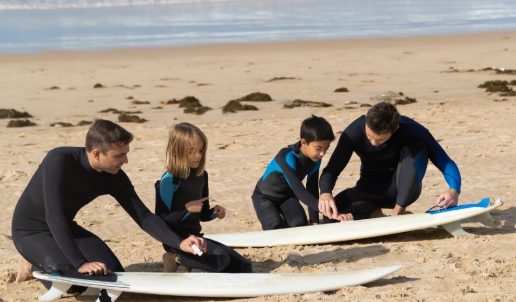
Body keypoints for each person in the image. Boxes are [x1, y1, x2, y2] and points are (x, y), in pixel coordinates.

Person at [11, 119, 205, 288]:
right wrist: (80, 263)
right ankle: (32, 260)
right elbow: (54, 216)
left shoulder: (114, 176)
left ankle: (51, 256)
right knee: (75, 282)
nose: (126, 160)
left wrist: (180, 243)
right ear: (96, 154)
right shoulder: (59, 161)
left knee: (113, 274)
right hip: (31, 230)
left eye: (126, 153)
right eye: (119, 155)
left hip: (65, 228)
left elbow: (144, 217)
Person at [318, 102, 461, 220]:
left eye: (380, 139)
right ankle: (373, 212)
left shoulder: (413, 130)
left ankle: (398, 212)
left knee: (417, 146)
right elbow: (332, 169)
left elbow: (446, 163)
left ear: (395, 129)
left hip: (402, 189)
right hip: (368, 190)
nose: (373, 142)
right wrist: (325, 192)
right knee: (330, 216)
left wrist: (453, 190)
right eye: (369, 136)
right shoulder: (353, 132)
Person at [155, 122, 252, 273]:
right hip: (176, 241)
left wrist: (215, 212)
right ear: (177, 151)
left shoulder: (202, 175)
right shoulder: (169, 180)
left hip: (196, 238)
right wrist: (186, 209)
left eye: (201, 150)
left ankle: (189, 260)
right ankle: (173, 257)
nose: (198, 156)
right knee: (222, 262)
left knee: (243, 265)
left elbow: (204, 214)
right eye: (191, 151)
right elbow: (160, 221)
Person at [251, 115, 352, 230]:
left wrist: (315, 222)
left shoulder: (315, 160)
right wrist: (329, 211)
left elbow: (312, 189)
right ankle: (274, 216)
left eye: (326, 148)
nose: (322, 154)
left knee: (299, 225)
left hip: (287, 198)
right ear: (304, 142)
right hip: (264, 197)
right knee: (274, 226)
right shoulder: (286, 156)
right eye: (318, 148)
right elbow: (299, 190)